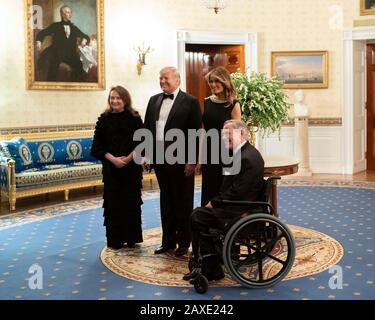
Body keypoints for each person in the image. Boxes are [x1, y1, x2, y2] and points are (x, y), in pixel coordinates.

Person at [183, 119, 265, 281]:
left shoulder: (247, 158)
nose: (224, 137)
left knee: (198, 216)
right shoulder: (242, 153)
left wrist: (214, 203)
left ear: (241, 134)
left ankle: (211, 267)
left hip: (239, 210)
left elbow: (238, 192)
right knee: (199, 214)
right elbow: (233, 188)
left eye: (228, 133)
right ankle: (208, 262)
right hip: (236, 205)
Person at [144, 66, 202, 257]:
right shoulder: (153, 101)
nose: (162, 82)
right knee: (166, 200)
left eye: (166, 79)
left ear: (177, 81)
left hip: (181, 161)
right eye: (160, 79)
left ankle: (184, 243)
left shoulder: (191, 102)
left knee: (183, 201)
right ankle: (167, 241)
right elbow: (147, 130)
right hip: (160, 160)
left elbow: (195, 133)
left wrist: (192, 160)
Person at [91, 86, 144, 250]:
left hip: (131, 169)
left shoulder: (135, 119)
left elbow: (143, 143)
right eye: (112, 98)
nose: (114, 101)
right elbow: (96, 147)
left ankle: (131, 238)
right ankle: (115, 240)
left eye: (118, 98)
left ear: (125, 100)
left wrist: (127, 159)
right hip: (111, 170)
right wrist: (113, 160)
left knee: (131, 203)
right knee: (113, 204)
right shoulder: (103, 119)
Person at [199, 66, 241, 207]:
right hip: (209, 153)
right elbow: (204, 130)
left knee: (224, 190)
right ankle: (208, 225)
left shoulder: (234, 105)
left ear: (225, 82)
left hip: (226, 154)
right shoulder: (207, 102)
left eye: (216, 81)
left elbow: (237, 134)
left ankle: (224, 226)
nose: (213, 85)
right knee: (209, 189)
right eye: (210, 81)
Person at [35, 5, 90, 82]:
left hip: (70, 54)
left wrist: (84, 39)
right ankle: (51, 86)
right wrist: (39, 41)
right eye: (67, 12)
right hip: (57, 52)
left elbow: (85, 36)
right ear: (62, 14)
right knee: (53, 67)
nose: (70, 14)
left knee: (79, 65)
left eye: (70, 12)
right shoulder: (55, 26)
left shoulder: (74, 27)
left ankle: (76, 86)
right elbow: (42, 33)